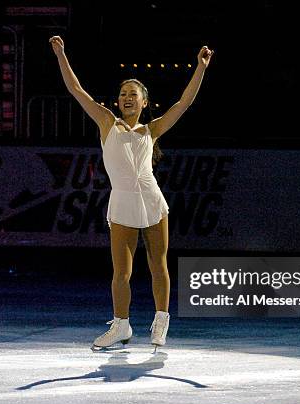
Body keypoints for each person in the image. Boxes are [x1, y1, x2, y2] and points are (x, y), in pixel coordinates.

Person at [49, 35, 213, 350]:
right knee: (121, 272)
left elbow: (184, 103)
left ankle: (161, 322)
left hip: (153, 202)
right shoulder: (106, 122)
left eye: (133, 94)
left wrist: (200, 68)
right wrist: (61, 55)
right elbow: (76, 90)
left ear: (144, 102)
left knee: (158, 264)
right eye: (123, 93)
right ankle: (121, 326)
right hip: (122, 202)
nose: (127, 97)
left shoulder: (152, 129)